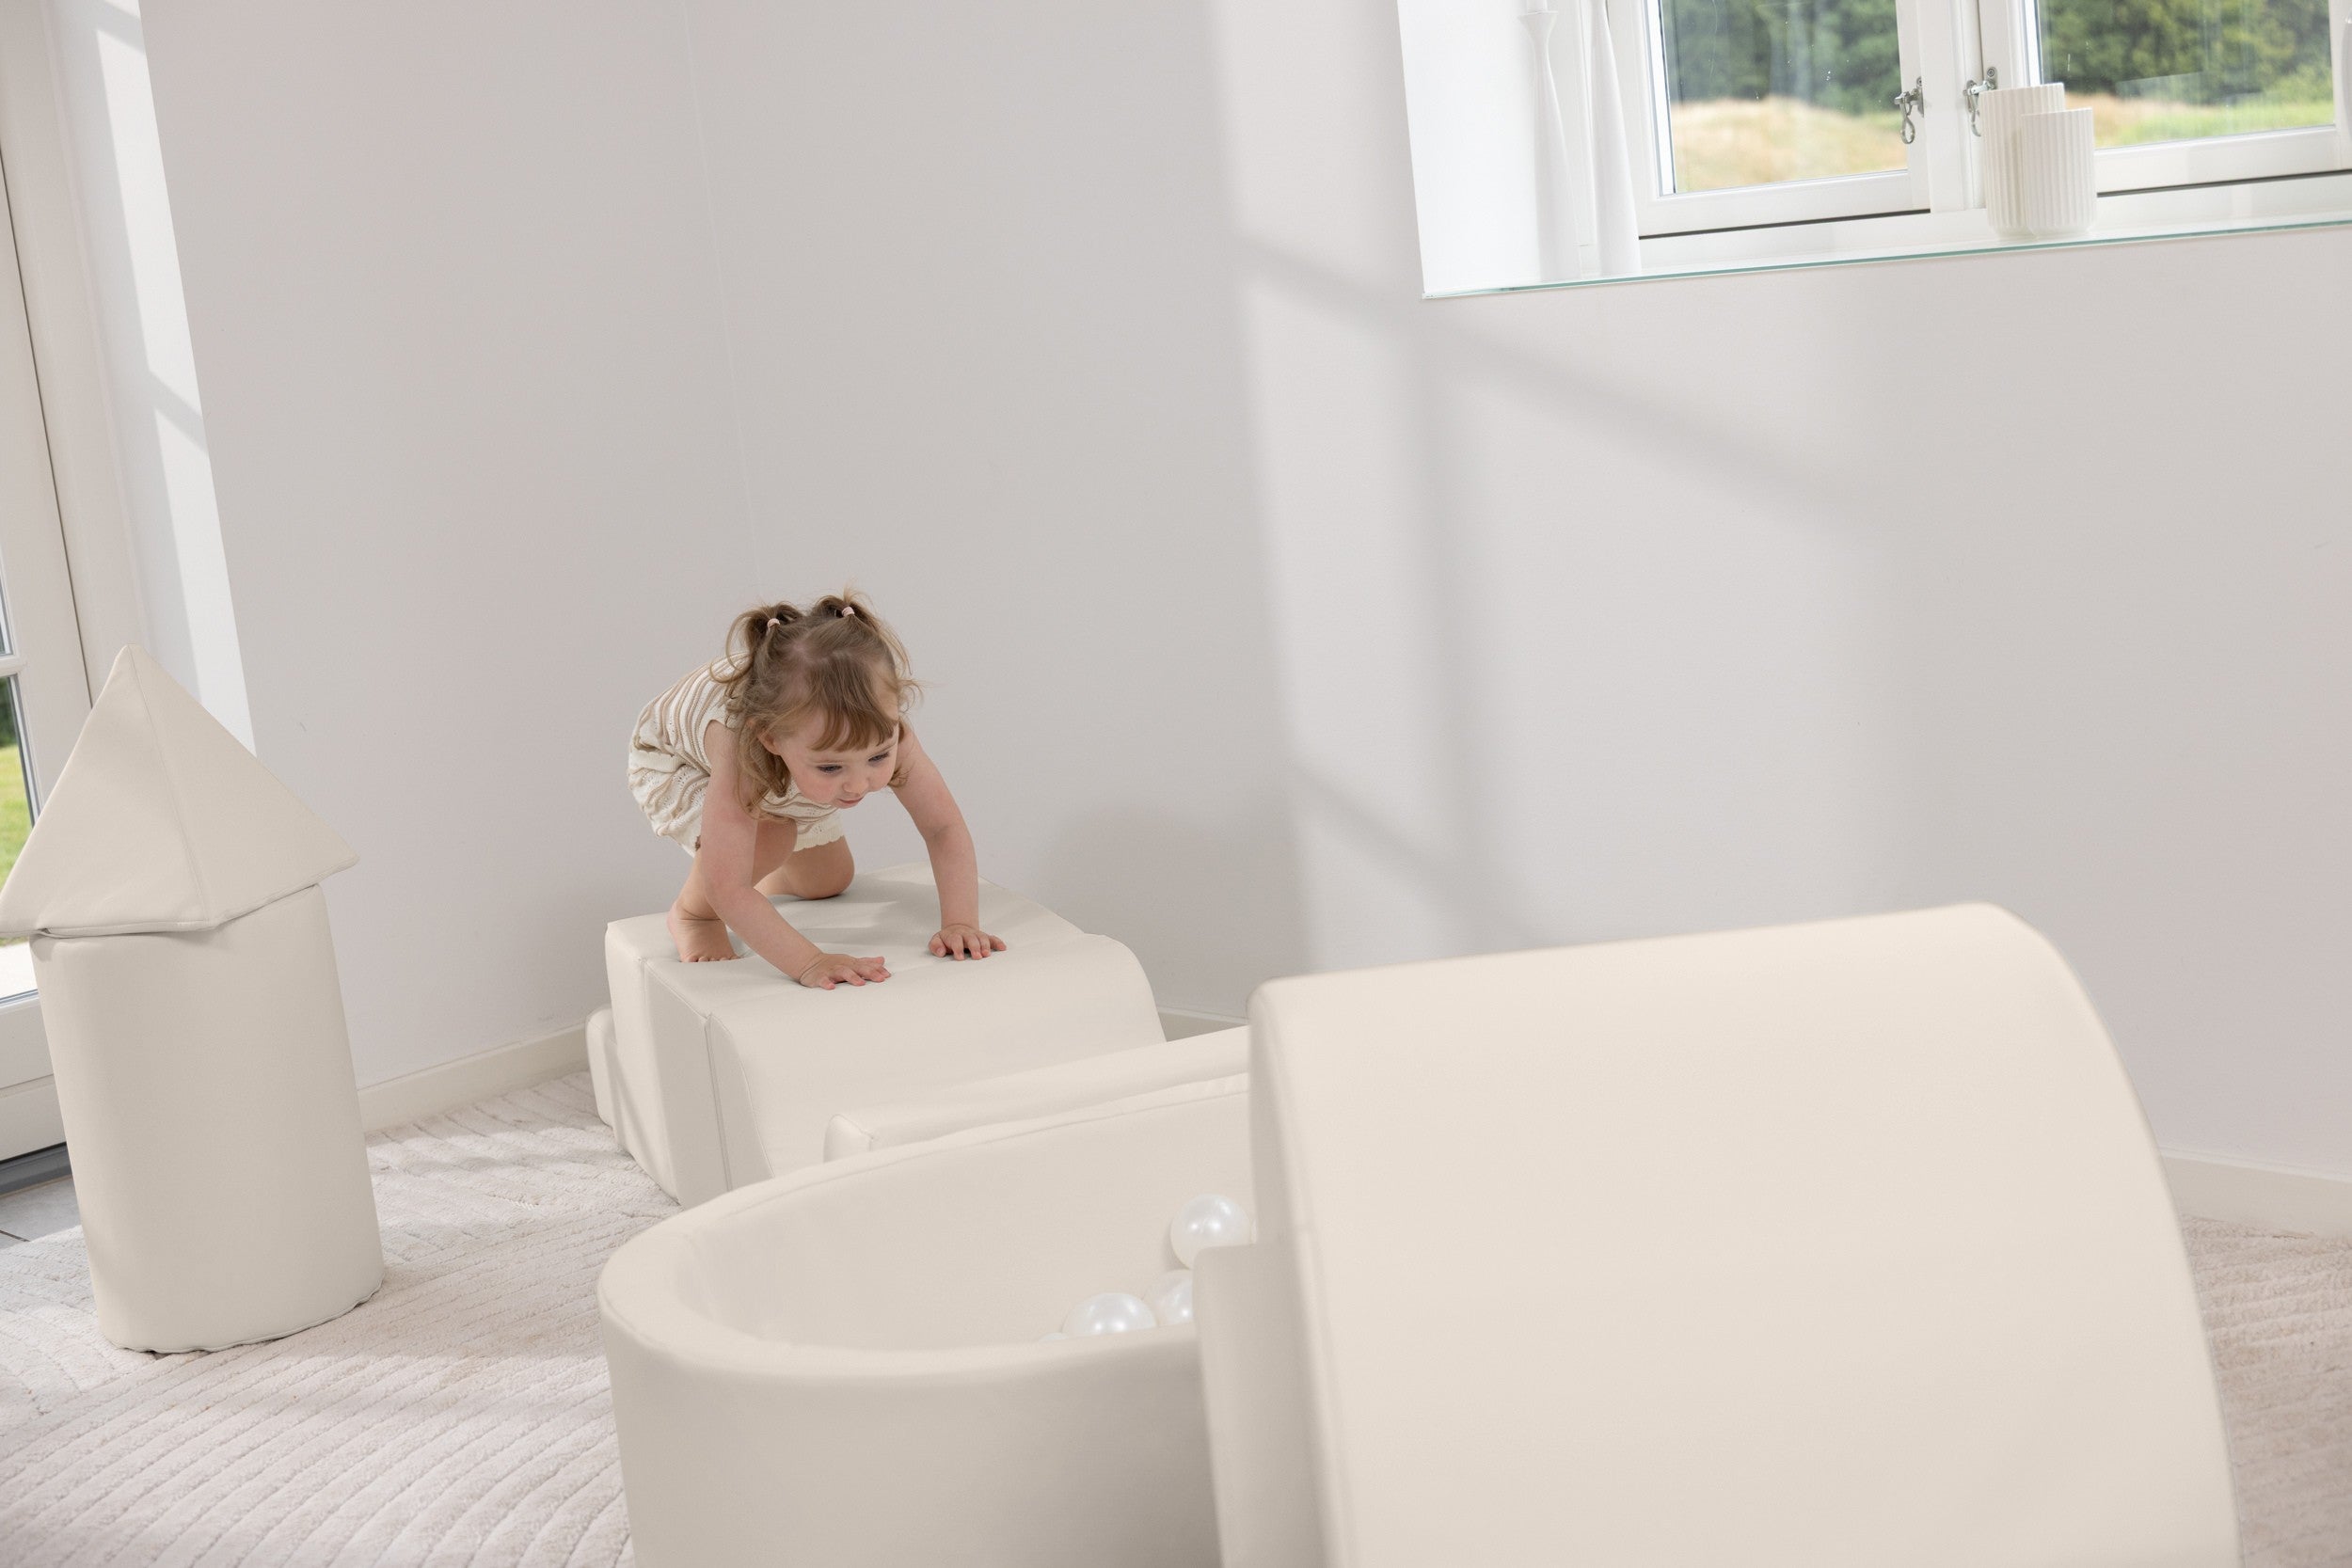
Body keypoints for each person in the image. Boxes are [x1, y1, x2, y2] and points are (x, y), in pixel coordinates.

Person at [628, 592, 1002, 987]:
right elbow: (727, 885)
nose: (860, 784)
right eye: (832, 766)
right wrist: (810, 962)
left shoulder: (883, 729)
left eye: (878, 757)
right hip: (677, 761)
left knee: (829, 879)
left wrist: (960, 921)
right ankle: (693, 913)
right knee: (772, 838)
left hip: (788, 757)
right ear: (771, 739)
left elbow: (942, 827)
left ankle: (765, 871)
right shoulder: (742, 747)